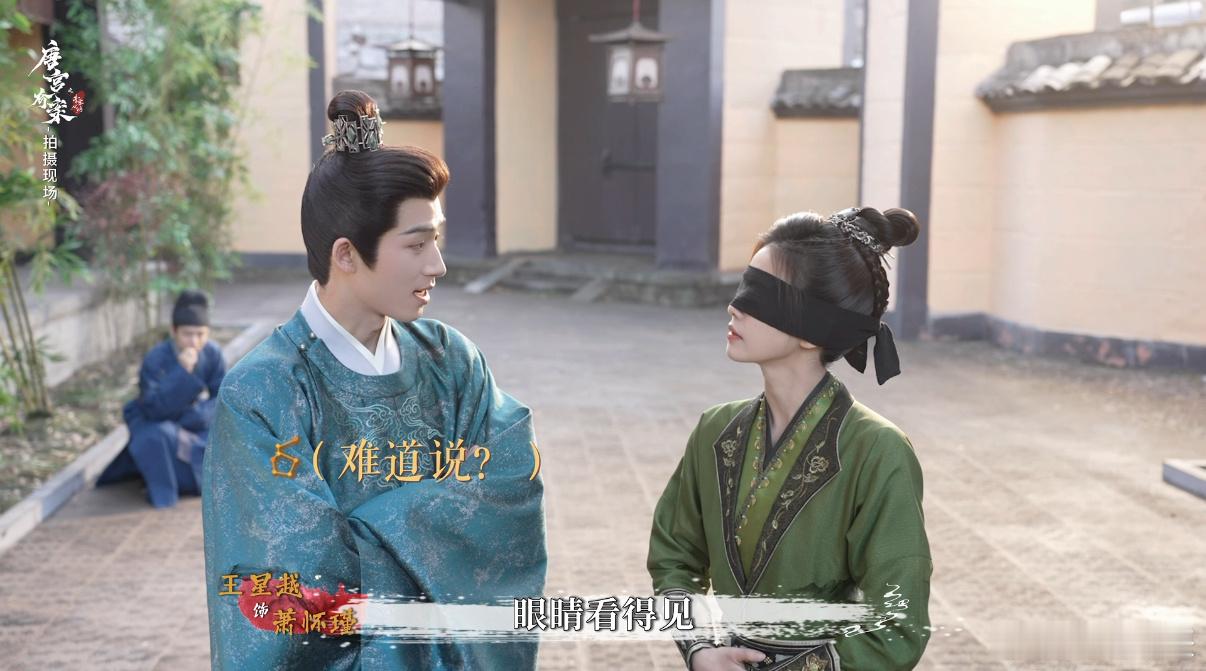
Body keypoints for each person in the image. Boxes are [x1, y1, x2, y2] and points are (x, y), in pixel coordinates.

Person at [202, 90, 546, 670]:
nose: (437, 264)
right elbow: (288, 579)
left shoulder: (451, 362)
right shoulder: (263, 393)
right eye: (416, 244)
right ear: (345, 255)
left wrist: (360, 531)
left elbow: (510, 486)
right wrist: (434, 530)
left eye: (435, 239)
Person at [648, 207, 932, 671]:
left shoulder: (876, 450)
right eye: (744, 286)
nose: (735, 306)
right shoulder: (714, 431)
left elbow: (898, 625)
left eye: (761, 295)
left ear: (813, 329)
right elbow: (674, 557)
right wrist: (700, 649)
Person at [98, 290, 226, 508]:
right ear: (174, 331)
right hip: (158, 419)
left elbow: (222, 398)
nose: (194, 341)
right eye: (187, 334)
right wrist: (182, 372)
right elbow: (153, 408)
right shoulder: (156, 357)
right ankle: (172, 483)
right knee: (154, 437)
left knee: (224, 442)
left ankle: (190, 479)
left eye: (200, 334)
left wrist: (196, 416)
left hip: (192, 421)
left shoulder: (212, 353)